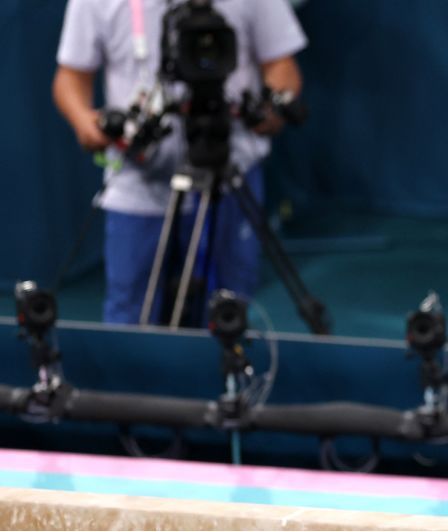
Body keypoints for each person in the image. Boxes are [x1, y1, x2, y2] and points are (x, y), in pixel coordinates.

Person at [52, 0, 306, 325]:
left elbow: (281, 64)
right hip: (139, 186)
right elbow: (70, 76)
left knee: (229, 312)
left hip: (231, 177)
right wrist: (84, 121)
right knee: (131, 316)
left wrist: (271, 109)